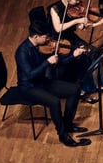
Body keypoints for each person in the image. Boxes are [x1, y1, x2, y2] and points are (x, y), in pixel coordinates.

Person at [14, 19, 91, 148]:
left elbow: (58, 61)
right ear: (36, 37)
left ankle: (68, 124)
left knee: (74, 90)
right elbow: (29, 75)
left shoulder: (40, 47)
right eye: (45, 37)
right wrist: (47, 63)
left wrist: (73, 55)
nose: (48, 39)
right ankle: (63, 136)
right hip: (28, 88)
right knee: (54, 101)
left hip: (41, 82)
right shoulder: (22, 52)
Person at [47, 0, 103, 102]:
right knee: (81, 57)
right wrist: (77, 20)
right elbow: (58, 28)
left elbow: (82, 26)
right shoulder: (55, 9)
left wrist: (98, 22)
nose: (78, 2)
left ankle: (99, 84)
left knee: (94, 52)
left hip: (71, 37)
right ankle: (84, 89)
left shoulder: (74, 8)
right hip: (58, 41)